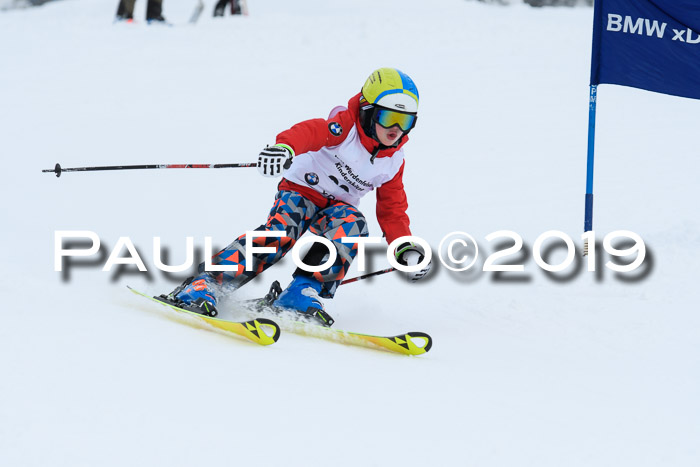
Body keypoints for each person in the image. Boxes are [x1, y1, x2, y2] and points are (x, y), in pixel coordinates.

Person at [166, 67, 432, 323]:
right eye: (388, 118)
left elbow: (393, 209)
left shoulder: (393, 161)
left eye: (406, 121)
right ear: (367, 112)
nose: (396, 128)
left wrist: (403, 246)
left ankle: (301, 292)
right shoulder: (346, 127)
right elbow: (311, 131)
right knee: (282, 233)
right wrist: (285, 148)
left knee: (354, 226)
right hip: (301, 191)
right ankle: (207, 283)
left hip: (336, 208)